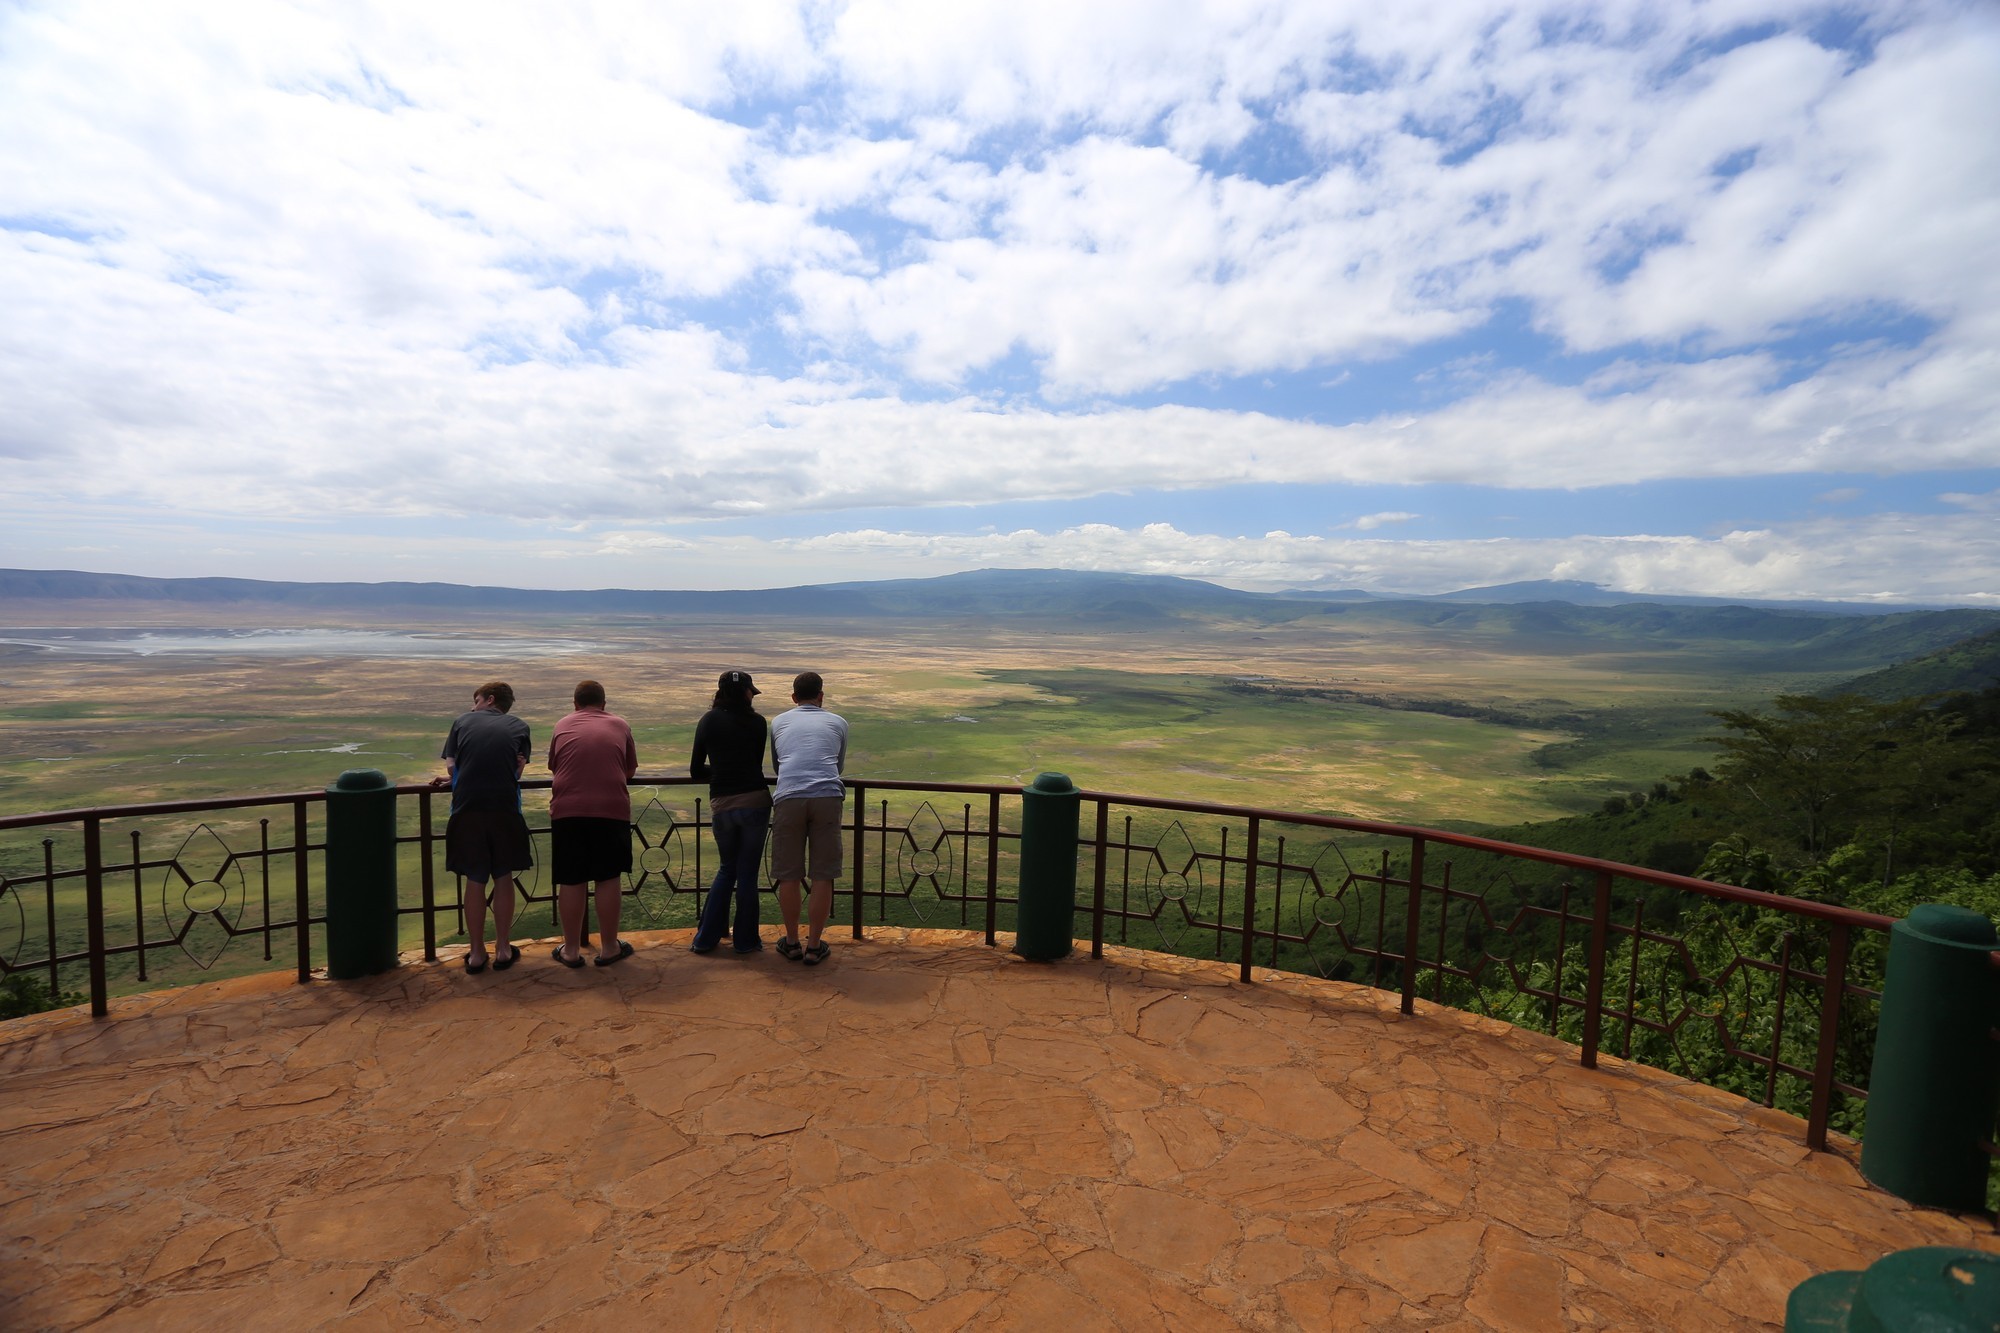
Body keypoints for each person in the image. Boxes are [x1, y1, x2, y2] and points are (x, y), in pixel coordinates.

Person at [432, 681, 532, 974]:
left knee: (475, 879)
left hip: (467, 810)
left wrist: (455, 779)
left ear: (488, 699)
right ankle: (503, 949)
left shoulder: (462, 722)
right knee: (503, 876)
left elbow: (453, 767)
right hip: (505, 810)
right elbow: (515, 770)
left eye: (475, 700)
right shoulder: (521, 726)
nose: (472, 706)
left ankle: (476, 954)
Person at [548, 679, 638, 968]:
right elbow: (630, 769)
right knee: (608, 877)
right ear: (604, 704)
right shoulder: (620, 725)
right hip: (610, 810)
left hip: (568, 810)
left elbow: (554, 765)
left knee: (571, 879)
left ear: (575, 704)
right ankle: (610, 947)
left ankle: (571, 951)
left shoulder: (562, 724)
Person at [689, 670, 772, 955]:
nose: (752, 695)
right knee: (748, 873)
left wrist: (721, 770)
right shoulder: (758, 722)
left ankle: (705, 939)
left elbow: (696, 770)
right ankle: (746, 942)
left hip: (723, 804)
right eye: (751, 691)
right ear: (745, 694)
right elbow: (752, 763)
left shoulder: (709, 720)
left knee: (727, 870)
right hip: (755, 802)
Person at [768, 671, 847, 965]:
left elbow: (778, 765)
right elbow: (837, 764)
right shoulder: (838, 722)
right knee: (823, 873)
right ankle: (814, 945)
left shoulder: (778, 721)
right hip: (827, 795)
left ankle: (791, 942)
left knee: (788, 873)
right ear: (821, 696)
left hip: (789, 796)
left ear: (793, 698)